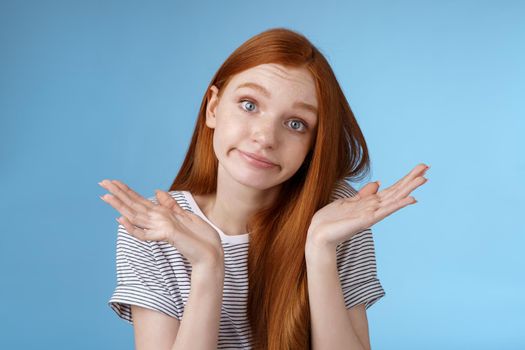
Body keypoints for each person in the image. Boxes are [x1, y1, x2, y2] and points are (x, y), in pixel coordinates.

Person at [99, 27, 429, 350]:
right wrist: (208, 266)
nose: (266, 137)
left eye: (296, 124)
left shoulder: (335, 217)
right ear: (213, 108)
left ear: (314, 143)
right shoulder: (157, 228)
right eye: (249, 105)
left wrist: (320, 249)